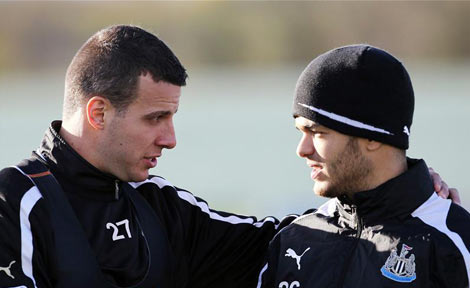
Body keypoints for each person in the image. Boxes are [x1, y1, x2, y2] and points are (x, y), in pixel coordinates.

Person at [0, 26, 457, 288]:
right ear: (98, 112)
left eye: (172, 117)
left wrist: (403, 189)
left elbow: (301, 240)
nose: (171, 139)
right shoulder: (12, 203)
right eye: (155, 118)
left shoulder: (159, 207)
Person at [257, 45, 470, 288]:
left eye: (317, 132)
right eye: (301, 132)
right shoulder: (293, 238)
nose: (302, 149)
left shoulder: (455, 244)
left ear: (373, 137)